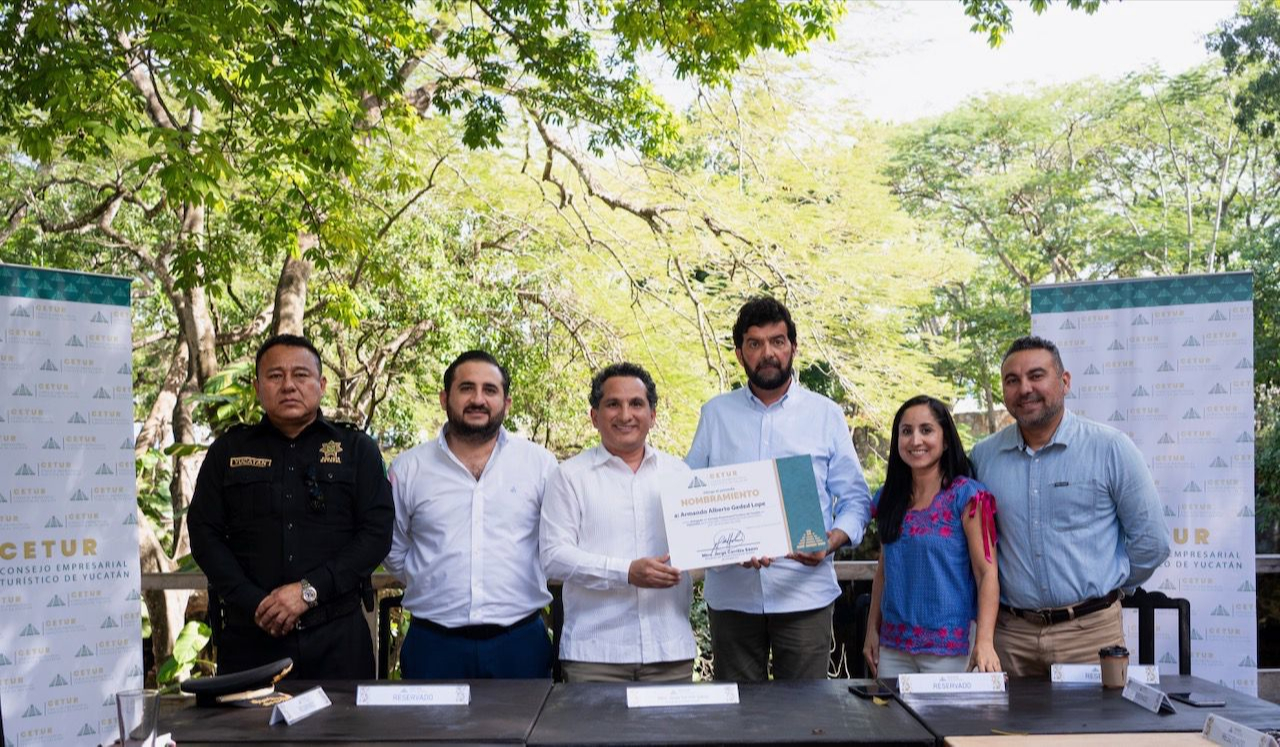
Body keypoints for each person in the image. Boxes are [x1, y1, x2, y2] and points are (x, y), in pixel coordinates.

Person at [686, 296, 871, 681]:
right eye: (754, 343)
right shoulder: (715, 414)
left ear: (793, 348)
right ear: (739, 354)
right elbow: (692, 496)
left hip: (805, 595)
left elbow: (855, 500)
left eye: (777, 341)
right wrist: (724, 539)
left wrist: (831, 540)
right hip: (733, 598)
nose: (767, 353)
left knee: (805, 720)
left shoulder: (825, 414)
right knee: (740, 720)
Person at [189, 334, 394, 679]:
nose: (288, 386)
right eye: (275, 376)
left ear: (321, 384)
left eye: (300, 375)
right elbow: (204, 535)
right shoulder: (228, 451)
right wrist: (256, 602)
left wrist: (308, 592)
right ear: (257, 386)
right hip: (250, 638)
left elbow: (375, 535)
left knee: (344, 734)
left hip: (338, 640)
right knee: (248, 733)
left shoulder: (357, 450)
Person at [970, 335, 1171, 677]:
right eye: (1012, 380)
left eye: (1037, 376)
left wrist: (1109, 588)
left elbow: (1152, 543)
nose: (1024, 389)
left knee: (1094, 731)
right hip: (1010, 639)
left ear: (1064, 382)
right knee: (1010, 731)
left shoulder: (1111, 449)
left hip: (1090, 636)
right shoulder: (983, 458)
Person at [384, 350, 558, 679]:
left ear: (506, 403)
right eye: (466, 388)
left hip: (519, 642)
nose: (478, 399)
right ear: (444, 398)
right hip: (433, 645)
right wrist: (433, 578)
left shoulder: (540, 465)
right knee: (429, 732)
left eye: (489, 390)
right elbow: (393, 547)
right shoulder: (409, 468)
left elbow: (555, 541)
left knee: (521, 731)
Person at [541, 363, 697, 682]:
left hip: (670, 652)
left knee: (671, 735)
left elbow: (699, 556)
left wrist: (740, 551)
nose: (625, 415)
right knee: (597, 735)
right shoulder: (569, 477)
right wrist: (625, 572)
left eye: (636, 404)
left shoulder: (680, 475)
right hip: (595, 656)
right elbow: (553, 558)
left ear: (652, 415)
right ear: (594, 416)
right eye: (613, 404)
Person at [862, 395, 1000, 677]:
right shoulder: (889, 497)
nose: (915, 440)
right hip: (893, 648)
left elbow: (987, 573)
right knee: (893, 721)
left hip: (951, 650)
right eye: (906, 431)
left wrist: (985, 641)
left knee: (946, 723)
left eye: (926, 430)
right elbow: (883, 571)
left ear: (945, 439)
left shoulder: (969, 496)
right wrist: (871, 632)